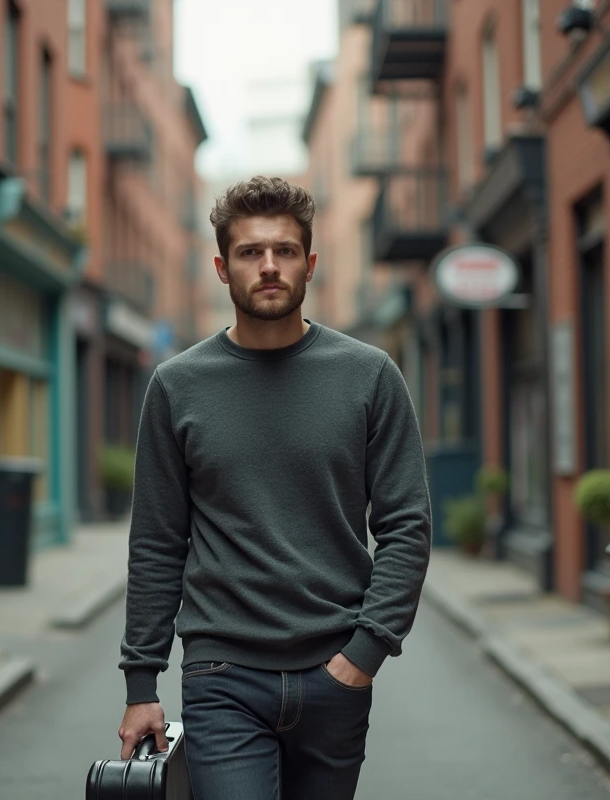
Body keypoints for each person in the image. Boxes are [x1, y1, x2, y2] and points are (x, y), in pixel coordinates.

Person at [116, 176, 432, 800]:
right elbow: (156, 541)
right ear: (221, 268)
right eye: (250, 252)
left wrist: (363, 654)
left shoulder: (369, 376)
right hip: (222, 676)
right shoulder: (177, 385)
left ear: (309, 264)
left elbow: (407, 525)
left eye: (285, 251)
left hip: (336, 675)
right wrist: (141, 684)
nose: (268, 266)